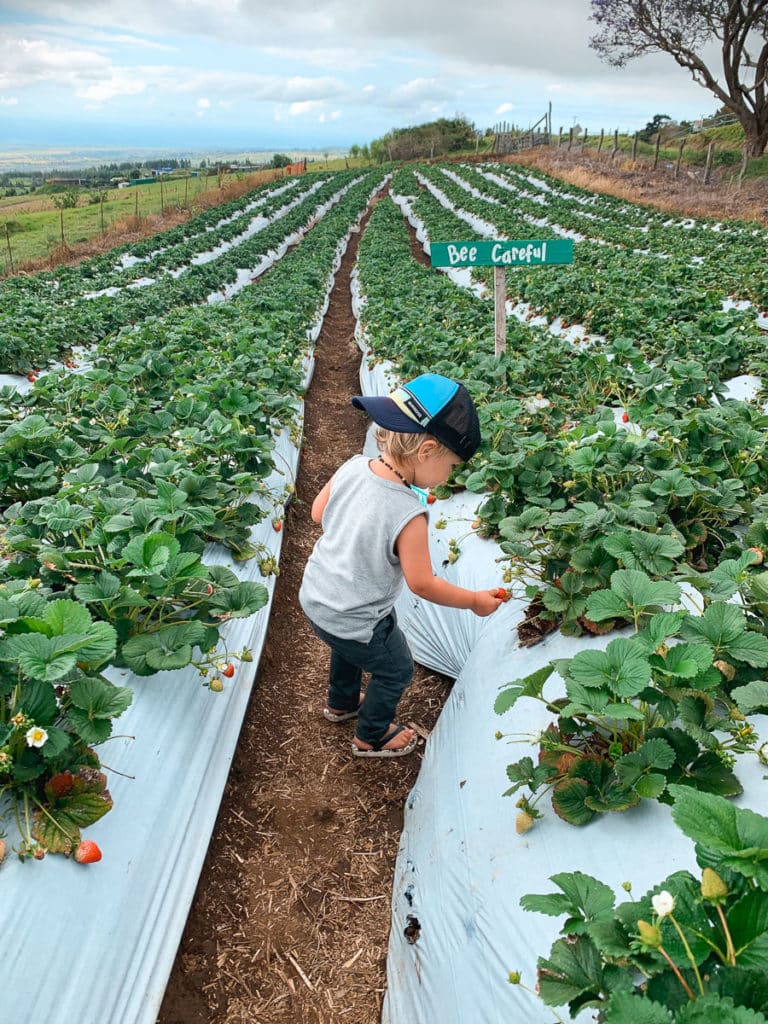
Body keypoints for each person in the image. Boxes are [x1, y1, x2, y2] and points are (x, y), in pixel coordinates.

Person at [299, 372, 503, 758]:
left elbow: (316, 513)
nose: (449, 476)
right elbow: (422, 584)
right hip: (355, 614)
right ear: (427, 451)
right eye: (452, 466)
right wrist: (474, 600)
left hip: (317, 599)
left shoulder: (353, 466)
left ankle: (341, 702)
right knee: (396, 668)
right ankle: (371, 734)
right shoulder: (408, 514)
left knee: (348, 645)